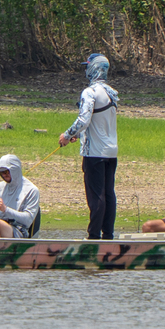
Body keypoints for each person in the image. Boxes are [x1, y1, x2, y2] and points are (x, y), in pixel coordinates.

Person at [58, 52, 119, 240]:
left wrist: (67, 135)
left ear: (93, 68)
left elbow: (84, 119)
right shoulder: (111, 93)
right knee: (108, 194)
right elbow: (98, 122)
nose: (85, 71)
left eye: (87, 67)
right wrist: (79, 134)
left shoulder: (89, 92)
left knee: (96, 196)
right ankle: (108, 234)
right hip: (111, 152)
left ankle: (93, 236)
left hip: (94, 153)